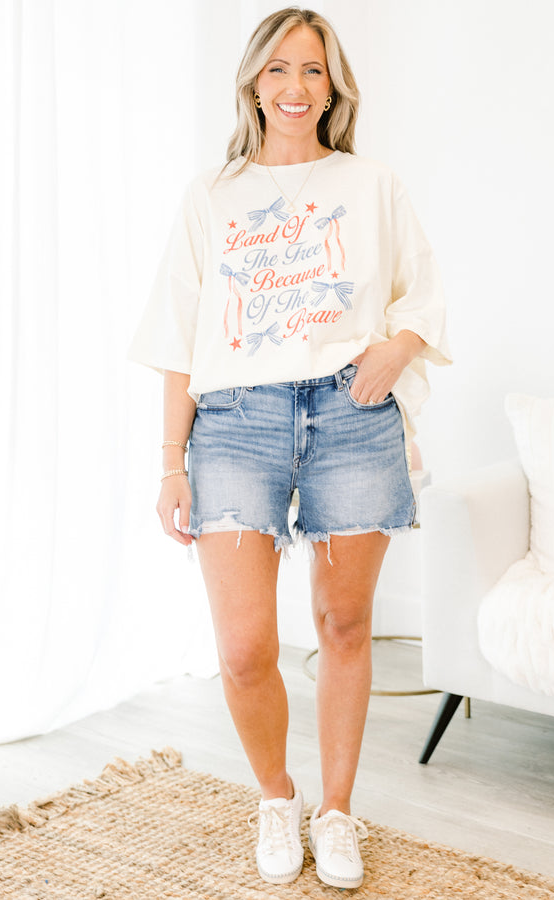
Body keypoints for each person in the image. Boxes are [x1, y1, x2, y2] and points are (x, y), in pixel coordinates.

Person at [129, 6, 451, 889]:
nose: (295, 87)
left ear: (333, 87)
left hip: (352, 414)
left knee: (343, 625)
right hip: (236, 423)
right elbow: (178, 338)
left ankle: (337, 811)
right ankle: (278, 796)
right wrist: (170, 463)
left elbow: (424, 295)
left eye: (312, 70)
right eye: (278, 69)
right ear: (253, 84)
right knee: (243, 649)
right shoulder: (211, 195)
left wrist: (394, 349)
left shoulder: (371, 184)